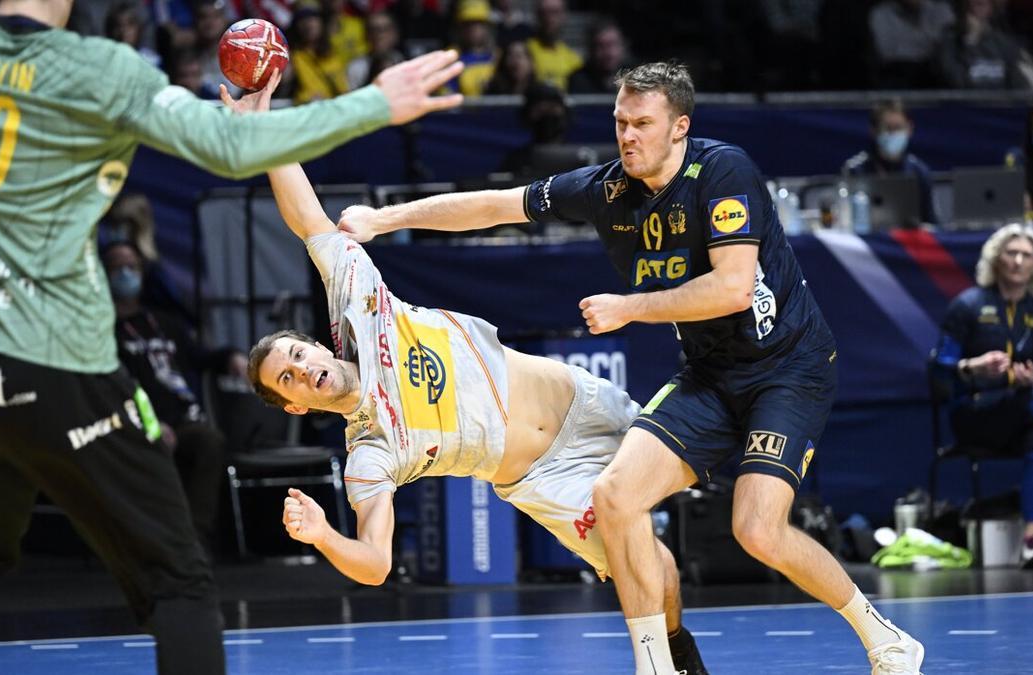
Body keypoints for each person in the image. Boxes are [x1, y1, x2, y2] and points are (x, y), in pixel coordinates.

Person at [337, 61, 925, 675]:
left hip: (788, 370)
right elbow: (496, 205)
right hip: (709, 373)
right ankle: (654, 667)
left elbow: (731, 288)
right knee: (615, 496)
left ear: (680, 127)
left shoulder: (723, 171)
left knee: (756, 528)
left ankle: (884, 637)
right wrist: (385, 219)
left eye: (642, 123)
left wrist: (629, 309)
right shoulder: (607, 189)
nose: (628, 137)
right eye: (620, 122)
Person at [0, 0, 464, 671]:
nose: (303, 366)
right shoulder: (101, 69)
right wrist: (371, 103)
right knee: (178, 582)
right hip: (56, 359)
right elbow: (228, 146)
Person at [219, 87, 712, 675]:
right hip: (548, 479)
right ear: (295, 406)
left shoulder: (361, 304)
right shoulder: (371, 450)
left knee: (722, 455)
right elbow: (375, 564)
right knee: (657, 570)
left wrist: (263, 131)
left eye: (298, 354)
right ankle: (681, 664)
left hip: (582, 400)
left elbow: (307, 220)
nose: (304, 368)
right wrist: (326, 535)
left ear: (316, 342)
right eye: (290, 379)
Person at [936, 224, 1033, 569]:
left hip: (1022, 411)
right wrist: (974, 367)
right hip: (974, 413)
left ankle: (1030, 544)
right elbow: (940, 367)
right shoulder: (967, 306)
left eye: (1026, 255)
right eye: (1011, 253)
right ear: (996, 260)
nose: (1017, 261)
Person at [104, 240, 229, 552]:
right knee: (156, 449)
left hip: (184, 421)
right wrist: (152, 422)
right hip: (136, 422)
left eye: (132, 266)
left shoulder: (164, 321)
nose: (126, 273)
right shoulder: (102, 329)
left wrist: (233, 358)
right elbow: (110, 386)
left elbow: (199, 356)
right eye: (117, 267)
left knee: (209, 441)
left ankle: (194, 542)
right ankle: (157, 542)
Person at [841, 98, 940, 227]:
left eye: (898, 128)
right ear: (874, 131)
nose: (893, 134)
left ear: (909, 128)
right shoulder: (855, 170)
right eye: (887, 128)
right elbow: (846, 223)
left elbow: (933, 224)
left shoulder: (920, 172)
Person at [526, 0, 582, 91]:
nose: (549, 18)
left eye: (555, 12)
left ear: (564, 16)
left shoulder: (574, 59)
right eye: (544, 12)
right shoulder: (525, 52)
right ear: (537, 16)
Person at [568, 22, 628, 95]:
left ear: (622, 47)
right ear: (591, 50)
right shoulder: (577, 81)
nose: (607, 53)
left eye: (612, 45)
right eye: (600, 46)